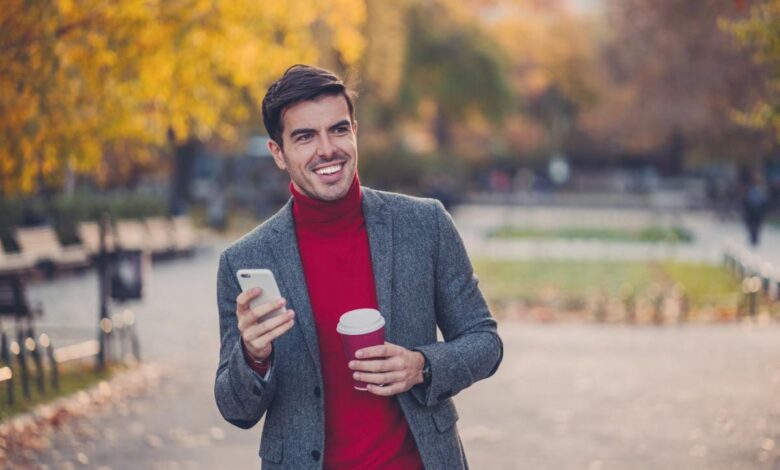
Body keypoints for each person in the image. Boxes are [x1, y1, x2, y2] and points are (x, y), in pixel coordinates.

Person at [214, 64, 502, 469]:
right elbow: (235, 408)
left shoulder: (425, 224)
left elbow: (485, 341)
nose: (327, 149)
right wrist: (254, 354)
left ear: (355, 132)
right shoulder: (245, 261)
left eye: (338, 129)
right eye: (304, 137)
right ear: (278, 153)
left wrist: (422, 365)